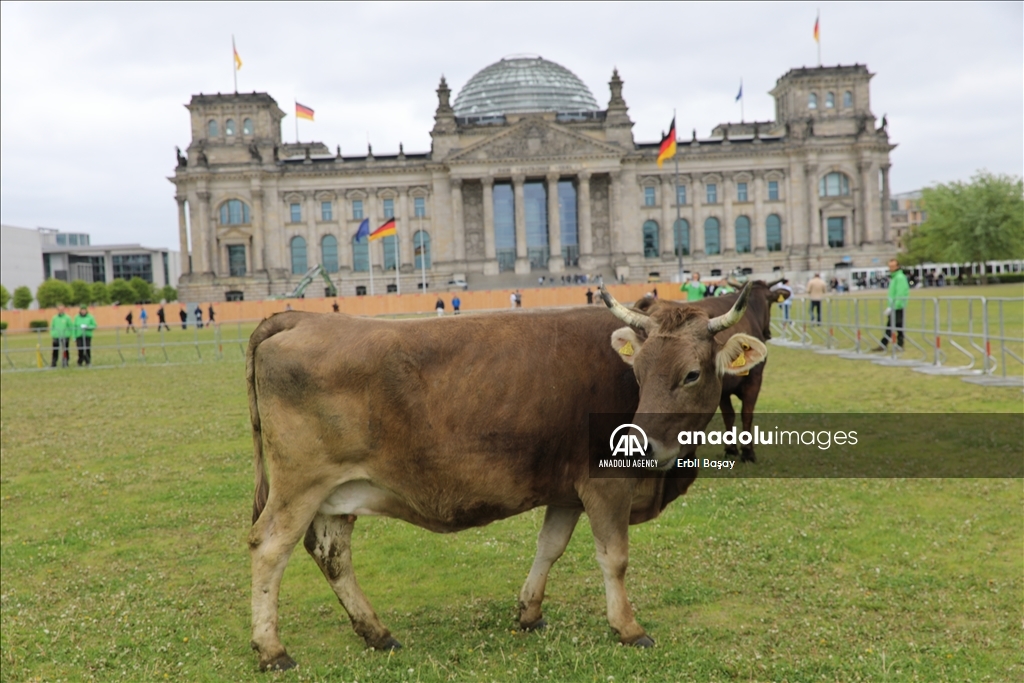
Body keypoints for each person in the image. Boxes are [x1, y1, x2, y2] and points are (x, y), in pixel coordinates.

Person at [875, 258, 909, 351]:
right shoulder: (895, 277)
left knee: (891, 326)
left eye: (893, 266)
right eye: (890, 266)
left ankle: (884, 344)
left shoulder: (899, 277)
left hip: (897, 306)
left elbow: (900, 293)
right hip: (894, 305)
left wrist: (894, 306)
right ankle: (899, 344)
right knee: (898, 326)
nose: (891, 268)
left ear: (897, 266)